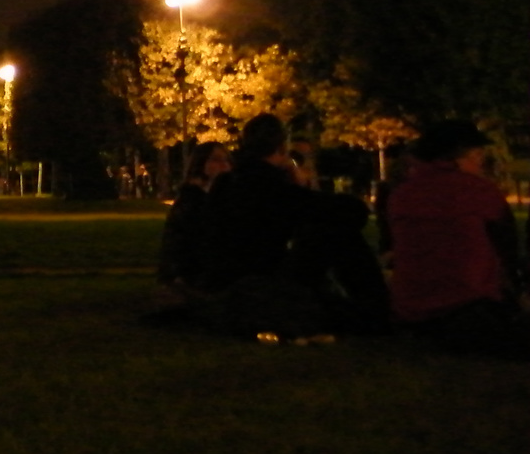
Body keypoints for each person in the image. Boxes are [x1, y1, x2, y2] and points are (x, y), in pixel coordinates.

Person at [200, 113, 388, 337]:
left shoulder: (226, 184)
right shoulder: (272, 187)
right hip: (264, 285)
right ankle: (377, 307)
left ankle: (371, 306)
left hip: (223, 283)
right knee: (336, 231)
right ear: (281, 148)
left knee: (327, 225)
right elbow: (353, 211)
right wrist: (298, 183)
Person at [387, 120, 528, 359]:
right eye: (478, 154)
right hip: (469, 303)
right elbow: (507, 246)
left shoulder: (402, 194)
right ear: (460, 157)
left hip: (412, 308)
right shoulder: (479, 191)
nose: (482, 160)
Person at [155, 141, 231, 293]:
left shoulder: (220, 197)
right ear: (201, 163)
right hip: (192, 274)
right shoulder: (193, 199)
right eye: (216, 160)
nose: (224, 165)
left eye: (226, 160)